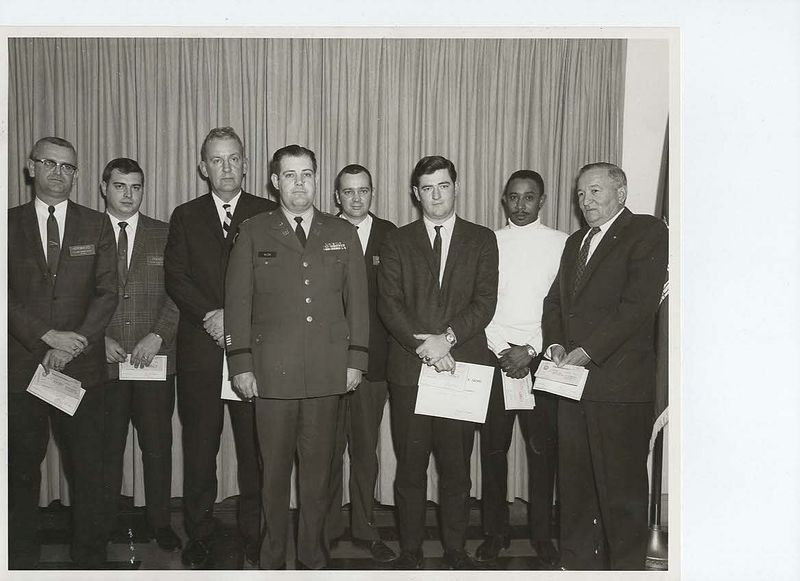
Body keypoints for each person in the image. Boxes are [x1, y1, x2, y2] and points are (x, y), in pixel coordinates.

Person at [225, 144, 370, 570]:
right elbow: (238, 303)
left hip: (328, 375)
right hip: (271, 377)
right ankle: (272, 558)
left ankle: (312, 557)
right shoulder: (253, 231)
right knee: (272, 476)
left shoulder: (340, 232)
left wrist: (356, 360)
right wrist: (242, 365)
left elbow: (357, 303)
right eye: (290, 175)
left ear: (317, 179)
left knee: (317, 477)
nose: (299, 183)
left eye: (307, 174)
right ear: (275, 181)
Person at [542, 162, 668, 570]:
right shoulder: (575, 241)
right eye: (581, 194)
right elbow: (555, 304)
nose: (586, 201)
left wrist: (588, 351)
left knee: (621, 496)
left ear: (622, 192)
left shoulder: (646, 232)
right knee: (576, 489)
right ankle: (576, 567)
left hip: (618, 389)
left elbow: (637, 307)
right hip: (572, 386)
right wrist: (557, 343)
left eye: (595, 191)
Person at [377, 155, 499, 570]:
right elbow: (389, 304)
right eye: (427, 188)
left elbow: (485, 302)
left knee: (456, 471)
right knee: (409, 469)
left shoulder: (482, 239)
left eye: (443, 186)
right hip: (411, 372)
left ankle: (455, 551)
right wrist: (425, 347)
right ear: (416, 194)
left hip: (460, 368)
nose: (436, 195)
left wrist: (445, 340)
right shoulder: (396, 240)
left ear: (456, 187)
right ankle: (409, 552)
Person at [164, 127, 277, 569]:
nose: (226, 168)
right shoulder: (186, 215)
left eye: (234, 159)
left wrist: (238, 319)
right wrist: (213, 315)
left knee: (255, 452)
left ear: (246, 164)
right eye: (217, 160)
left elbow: (276, 282)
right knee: (199, 449)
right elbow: (176, 276)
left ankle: (255, 534)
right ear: (202, 167)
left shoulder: (268, 212)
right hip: (201, 352)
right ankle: (200, 534)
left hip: (254, 354)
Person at [8, 136, 118, 569]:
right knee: (19, 473)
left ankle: (89, 564)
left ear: (77, 173)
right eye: (49, 163)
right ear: (30, 167)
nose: (59, 173)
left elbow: (108, 293)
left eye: (68, 167)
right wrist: (45, 337)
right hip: (21, 367)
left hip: (81, 368)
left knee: (89, 472)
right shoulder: (6, 223)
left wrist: (74, 343)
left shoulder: (96, 225)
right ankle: (19, 562)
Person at [477, 170, 567, 565]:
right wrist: (502, 349)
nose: (520, 205)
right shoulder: (488, 243)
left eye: (529, 197)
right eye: (513, 197)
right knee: (494, 449)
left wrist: (530, 349)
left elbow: (562, 309)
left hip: (541, 360)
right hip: (497, 358)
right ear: (503, 200)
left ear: (542, 200)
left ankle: (542, 535)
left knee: (542, 450)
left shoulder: (562, 244)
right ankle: (494, 533)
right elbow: (480, 303)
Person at [99, 158, 181, 551]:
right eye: (120, 186)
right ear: (104, 188)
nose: (128, 194)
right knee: (106, 448)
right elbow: (76, 295)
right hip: (105, 364)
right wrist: (97, 339)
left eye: (136, 187)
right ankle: (105, 522)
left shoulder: (165, 234)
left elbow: (179, 293)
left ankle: (161, 523)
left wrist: (157, 336)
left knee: (157, 447)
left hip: (154, 362)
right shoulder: (89, 232)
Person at [325, 164, 397, 563]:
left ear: (373, 193)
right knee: (328, 449)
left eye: (363, 191)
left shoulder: (392, 236)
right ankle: (330, 527)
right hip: (327, 364)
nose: (356, 198)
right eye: (348, 192)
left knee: (366, 450)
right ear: (337, 196)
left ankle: (366, 528)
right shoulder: (321, 232)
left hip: (375, 364)